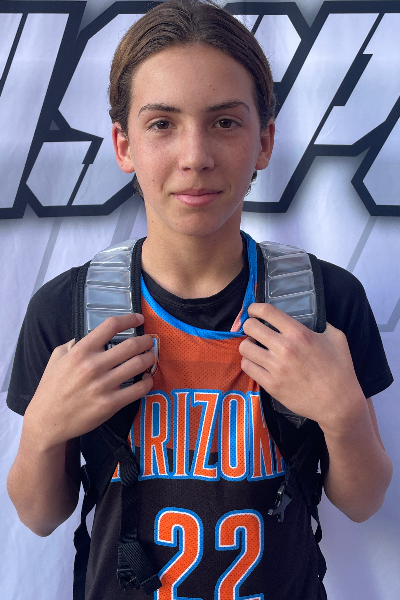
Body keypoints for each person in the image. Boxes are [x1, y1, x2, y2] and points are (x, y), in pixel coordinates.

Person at [6, 1, 393, 599]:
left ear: (264, 141)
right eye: (162, 124)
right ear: (124, 144)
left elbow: (363, 502)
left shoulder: (324, 300)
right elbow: (38, 515)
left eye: (225, 122)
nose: (195, 157)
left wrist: (343, 417)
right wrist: (42, 431)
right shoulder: (68, 310)